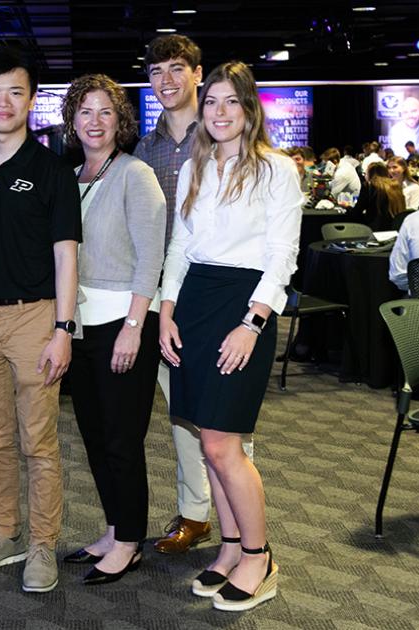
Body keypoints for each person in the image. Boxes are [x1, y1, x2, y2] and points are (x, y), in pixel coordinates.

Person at [160, 61, 302, 611]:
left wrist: (253, 322)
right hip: (193, 303)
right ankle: (231, 547)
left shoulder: (276, 169)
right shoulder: (196, 166)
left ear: (249, 109)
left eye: (230, 102)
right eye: (212, 101)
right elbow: (180, 245)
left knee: (224, 445)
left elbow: (281, 256)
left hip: (243, 309)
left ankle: (260, 556)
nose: (219, 112)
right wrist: (167, 309)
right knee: (206, 439)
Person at [0, 47, 80, 594]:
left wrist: (63, 329)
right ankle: (5, 534)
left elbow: (66, 255)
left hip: (37, 320)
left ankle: (43, 544)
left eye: (15, 91)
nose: (3, 102)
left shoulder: (52, 170)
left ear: (30, 100)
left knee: (39, 441)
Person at [134, 33, 250, 557]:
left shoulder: (223, 137)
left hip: (219, 298)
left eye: (177, 69)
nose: (166, 81)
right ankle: (195, 514)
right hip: (162, 298)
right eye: (156, 72)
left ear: (198, 74)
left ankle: (243, 526)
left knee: (226, 417)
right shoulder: (145, 145)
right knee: (181, 413)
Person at [59, 74, 166, 585]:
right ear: (72, 121)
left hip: (122, 326)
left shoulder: (135, 174)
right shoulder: (72, 175)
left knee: (123, 441)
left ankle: (130, 542)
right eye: (84, 112)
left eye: (105, 112)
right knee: (96, 438)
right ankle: (114, 527)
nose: (94, 122)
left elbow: (151, 259)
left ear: (120, 121)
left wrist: (133, 327)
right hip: (79, 329)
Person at [350, 162, 406, 231]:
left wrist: (348, 208)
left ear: (369, 174)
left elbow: (356, 212)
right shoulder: (395, 185)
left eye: (365, 173)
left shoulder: (369, 187)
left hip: (375, 230)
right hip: (396, 229)